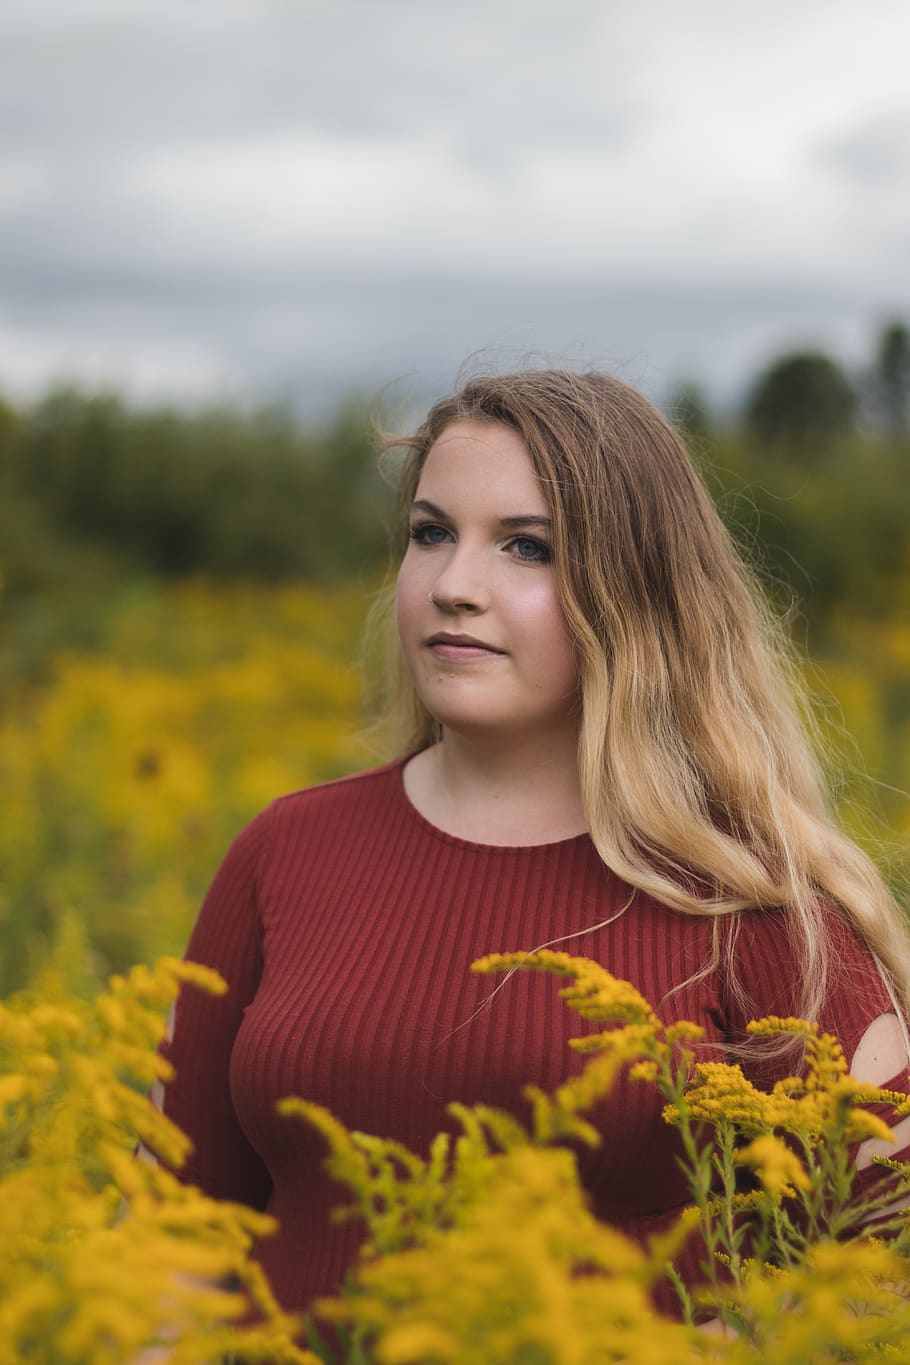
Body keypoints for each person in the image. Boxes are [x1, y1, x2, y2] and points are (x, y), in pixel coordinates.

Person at [160, 367, 910, 1319]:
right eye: (431, 534)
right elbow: (169, 1249)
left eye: (527, 547)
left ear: (635, 595)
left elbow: (884, 1275)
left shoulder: (752, 903)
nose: (454, 586)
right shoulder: (283, 853)